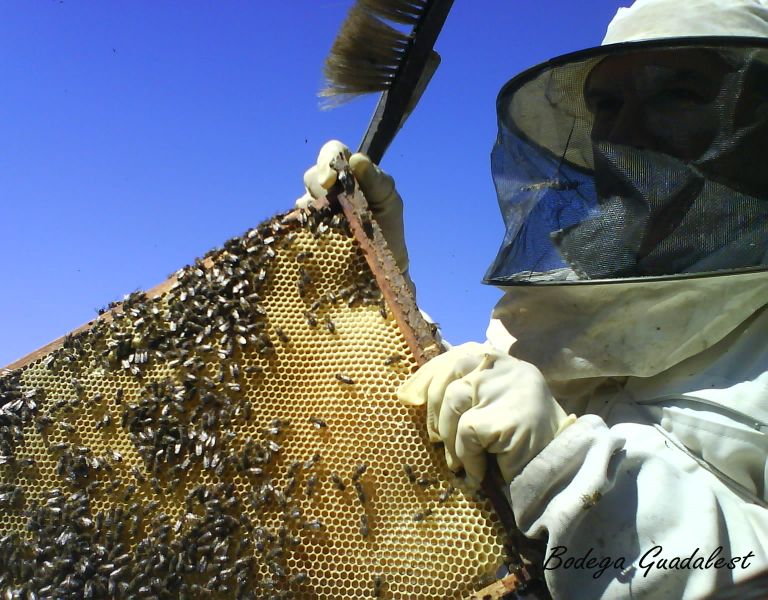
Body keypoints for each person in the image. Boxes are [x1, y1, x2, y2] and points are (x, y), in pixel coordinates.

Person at [299, 0, 768, 597]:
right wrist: (378, 283)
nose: (622, 132)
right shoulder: (566, 297)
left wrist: (564, 461)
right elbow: (461, 428)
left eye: (677, 93)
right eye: (607, 104)